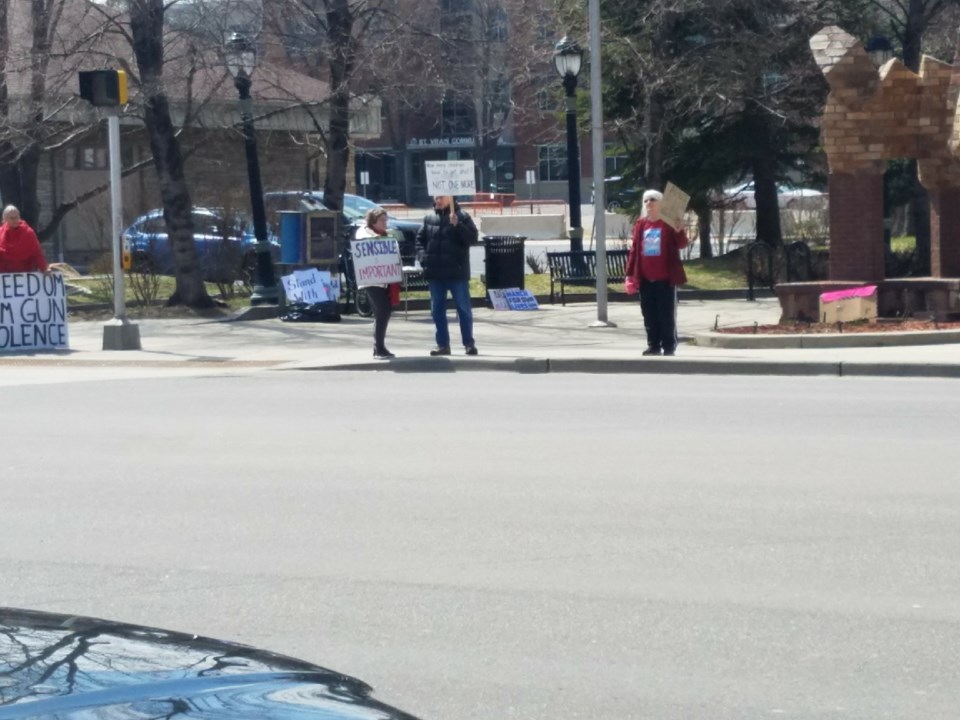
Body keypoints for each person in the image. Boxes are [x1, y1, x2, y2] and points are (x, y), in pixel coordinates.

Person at [624, 189, 688, 356]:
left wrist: (679, 229)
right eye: (645, 200)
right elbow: (635, 250)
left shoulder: (668, 223)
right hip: (645, 278)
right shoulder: (641, 224)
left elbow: (681, 244)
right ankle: (653, 345)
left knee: (666, 314)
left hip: (665, 278)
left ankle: (668, 346)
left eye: (652, 199)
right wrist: (630, 274)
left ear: (661, 203)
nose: (649, 203)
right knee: (649, 314)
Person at [416, 195, 479, 356]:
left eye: (441, 198)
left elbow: (472, 239)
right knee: (437, 310)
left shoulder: (462, 217)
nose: (438, 200)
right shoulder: (429, 218)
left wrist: (457, 225)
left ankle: (469, 344)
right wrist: (424, 259)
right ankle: (443, 345)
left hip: (457, 272)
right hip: (436, 273)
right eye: (436, 198)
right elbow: (419, 240)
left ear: (450, 199)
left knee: (463, 309)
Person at [355, 208, 401, 359]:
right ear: (373, 221)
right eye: (382, 220)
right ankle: (378, 348)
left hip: (384, 280)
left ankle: (380, 346)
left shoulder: (386, 236)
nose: (385, 222)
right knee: (382, 311)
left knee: (384, 311)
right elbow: (363, 241)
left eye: (386, 220)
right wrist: (376, 239)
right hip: (371, 280)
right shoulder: (364, 232)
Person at [0, 205, 50, 274]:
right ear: (5, 220)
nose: (15, 220)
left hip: (25, 274)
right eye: (12, 218)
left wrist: (44, 268)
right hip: (5, 275)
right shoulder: (1, 233)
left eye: (17, 217)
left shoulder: (28, 233)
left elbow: (37, 252)